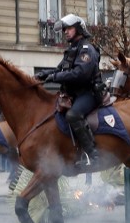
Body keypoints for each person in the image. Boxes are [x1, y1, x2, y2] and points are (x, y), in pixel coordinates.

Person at [35, 13, 104, 168]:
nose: (65, 31)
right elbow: (59, 69)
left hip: (88, 94)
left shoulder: (87, 49)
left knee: (73, 115)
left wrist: (54, 77)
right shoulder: (72, 49)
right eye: (64, 29)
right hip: (74, 94)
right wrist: (42, 74)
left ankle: (93, 155)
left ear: (78, 29)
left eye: (69, 28)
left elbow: (79, 74)